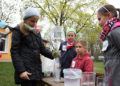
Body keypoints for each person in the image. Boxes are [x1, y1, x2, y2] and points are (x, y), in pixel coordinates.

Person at [11, 7, 58, 86]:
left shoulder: (36, 31)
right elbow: (14, 52)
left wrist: (52, 54)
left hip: (37, 70)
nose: (35, 24)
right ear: (25, 19)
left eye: (36, 21)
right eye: (32, 21)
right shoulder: (18, 30)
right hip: (26, 71)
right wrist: (21, 71)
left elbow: (42, 49)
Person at [97, 4, 120, 86]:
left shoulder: (115, 31)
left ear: (109, 15)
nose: (99, 23)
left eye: (99, 19)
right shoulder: (108, 34)